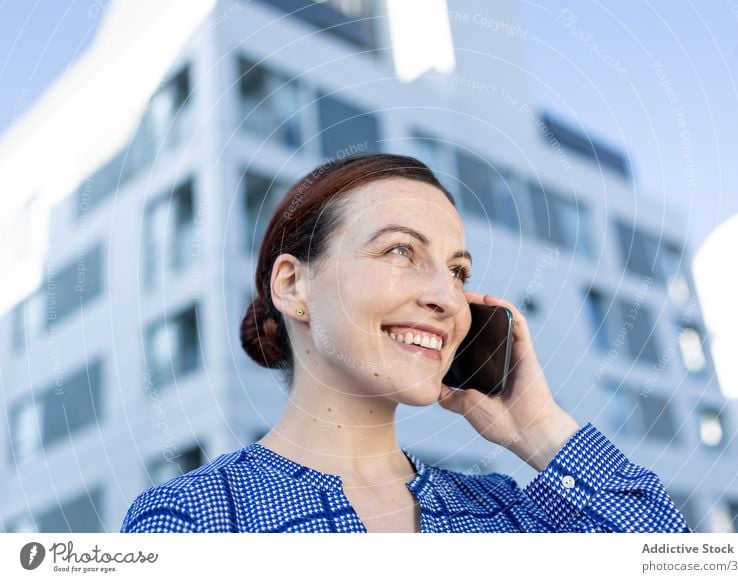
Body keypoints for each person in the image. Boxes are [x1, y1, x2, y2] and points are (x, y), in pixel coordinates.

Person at [120, 153, 692, 533]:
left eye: (458, 271)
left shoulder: (506, 509)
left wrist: (538, 430)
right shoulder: (194, 519)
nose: (448, 299)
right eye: (401, 251)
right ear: (294, 284)